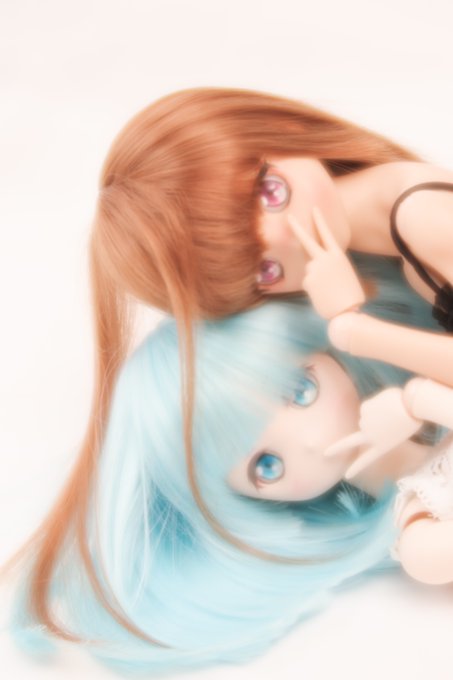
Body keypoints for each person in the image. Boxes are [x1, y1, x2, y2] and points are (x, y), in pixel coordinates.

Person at [8, 264, 443, 674]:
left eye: (300, 389)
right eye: (267, 466)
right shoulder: (420, 533)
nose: (312, 441)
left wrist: (416, 402)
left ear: (322, 344)